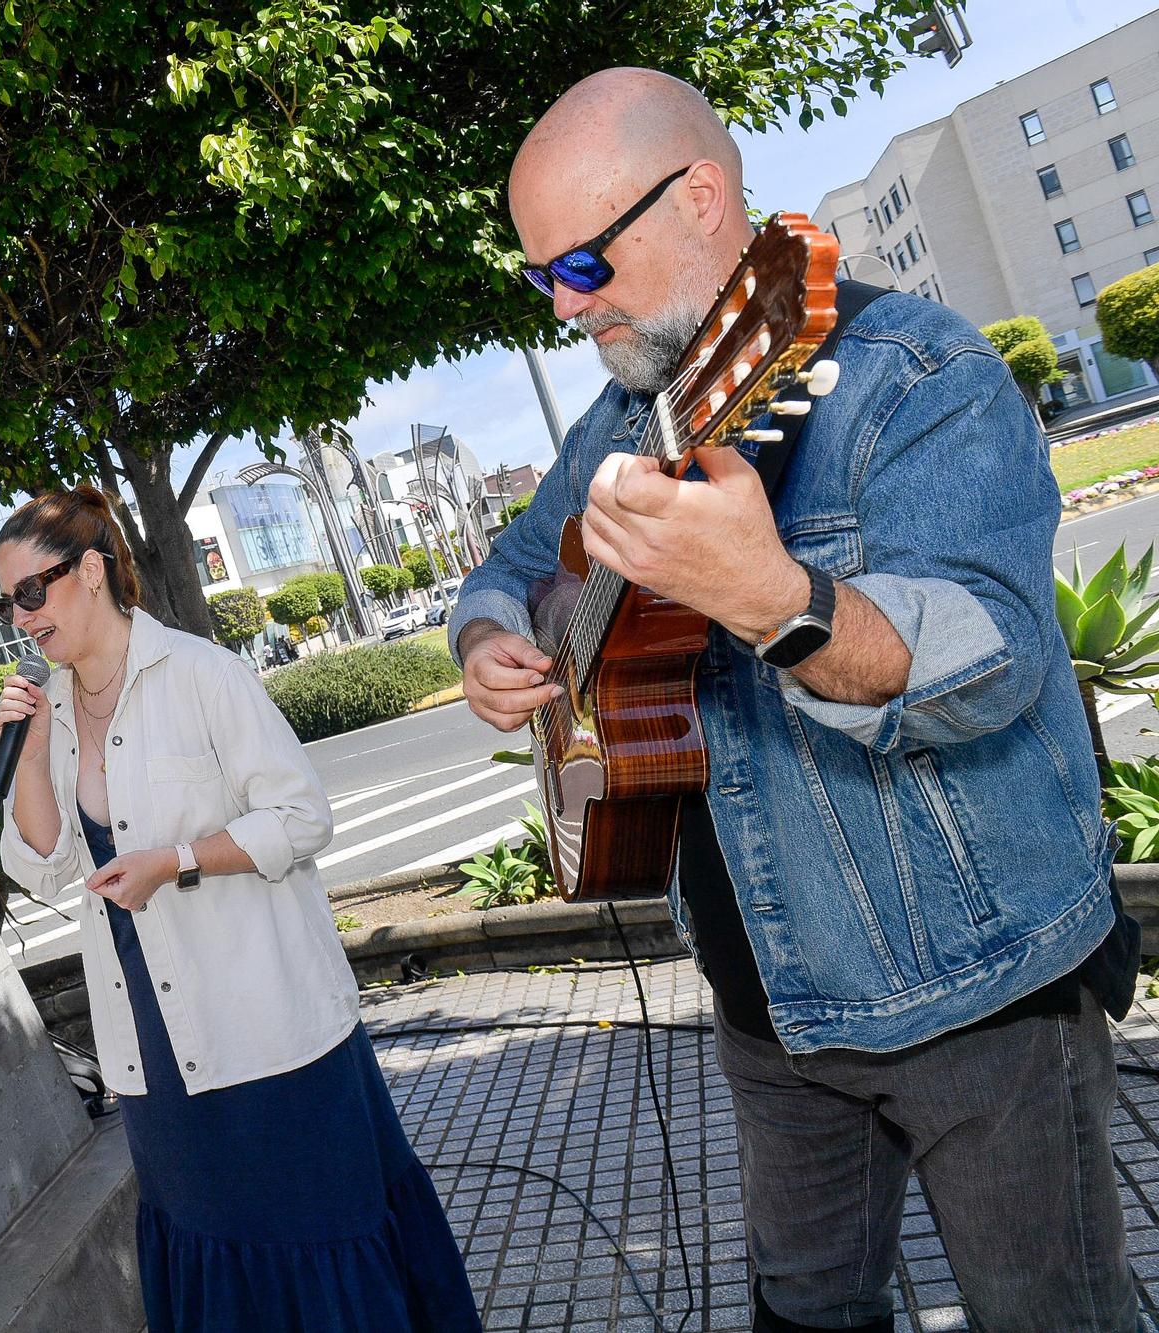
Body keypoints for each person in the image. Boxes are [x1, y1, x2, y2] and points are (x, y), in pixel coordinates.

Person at [451, 67, 1141, 1332]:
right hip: (764, 1000)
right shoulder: (612, 420)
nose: (559, 305)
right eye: (537, 275)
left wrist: (777, 598)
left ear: (700, 198)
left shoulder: (917, 376)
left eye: (582, 267)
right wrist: (493, 635)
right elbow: (509, 566)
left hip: (974, 996)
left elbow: (988, 661)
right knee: (801, 1311)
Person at [0, 486, 477, 1333]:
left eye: (32, 590)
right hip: (150, 1039)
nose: (20, 616)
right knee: (208, 1246)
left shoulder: (202, 674)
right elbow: (46, 866)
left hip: (267, 1023)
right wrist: (30, 751)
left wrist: (178, 861)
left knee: (316, 1241)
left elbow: (300, 817)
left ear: (94, 571)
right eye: (5, 602)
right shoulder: (56, 712)